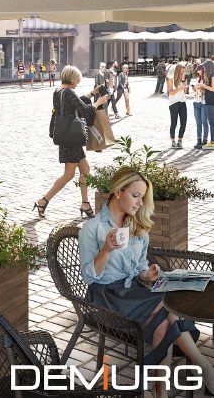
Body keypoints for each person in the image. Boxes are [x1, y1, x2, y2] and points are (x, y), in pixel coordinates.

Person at [78, 166, 214, 398]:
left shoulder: (136, 225)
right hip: (106, 296)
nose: (140, 203)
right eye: (135, 195)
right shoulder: (93, 228)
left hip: (134, 291)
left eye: (143, 197)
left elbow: (140, 266)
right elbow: (89, 277)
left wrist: (147, 275)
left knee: (165, 321)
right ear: (118, 191)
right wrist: (106, 250)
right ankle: (206, 370)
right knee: (168, 308)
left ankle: (156, 392)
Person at [34, 66, 104, 220]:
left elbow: (76, 103)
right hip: (71, 138)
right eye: (77, 81)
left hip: (67, 135)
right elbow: (85, 110)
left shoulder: (59, 91)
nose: (77, 83)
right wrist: (97, 103)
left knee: (85, 169)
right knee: (69, 174)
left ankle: (85, 203)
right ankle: (43, 201)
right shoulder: (69, 93)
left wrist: (92, 93)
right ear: (72, 80)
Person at [167, 63, 189, 148]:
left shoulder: (183, 78)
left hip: (182, 102)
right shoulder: (171, 78)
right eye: (182, 70)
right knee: (174, 123)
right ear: (178, 70)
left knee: (183, 123)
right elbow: (170, 92)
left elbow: (186, 91)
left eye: (184, 71)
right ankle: (173, 141)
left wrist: (183, 80)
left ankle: (180, 140)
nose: (183, 72)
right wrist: (180, 88)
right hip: (174, 103)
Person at [193, 65, 208, 148]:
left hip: (203, 103)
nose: (198, 71)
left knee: (204, 122)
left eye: (199, 70)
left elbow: (207, 92)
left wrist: (200, 88)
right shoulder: (197, 79)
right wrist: (195, 88)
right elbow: (196, 90)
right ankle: (198, 140)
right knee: (198, 123)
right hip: (196, 102)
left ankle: (205, 140)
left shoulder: (206, 80)